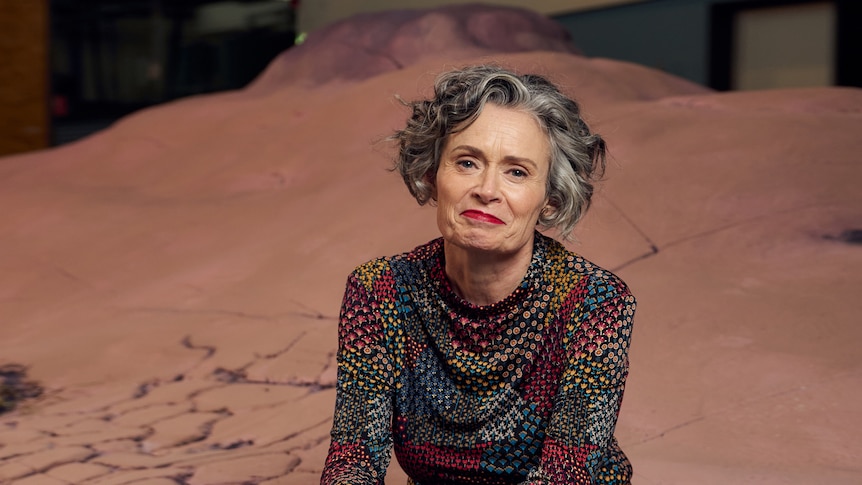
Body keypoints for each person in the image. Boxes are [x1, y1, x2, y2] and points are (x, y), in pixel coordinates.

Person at [321, 65, 635, 485]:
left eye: (517, 172)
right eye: (467, 162)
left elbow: (567, 474)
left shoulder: (594, 301)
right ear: (432, 177)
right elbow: (352, 461)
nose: (487, 189)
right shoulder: (380, 292)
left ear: (551, 200)